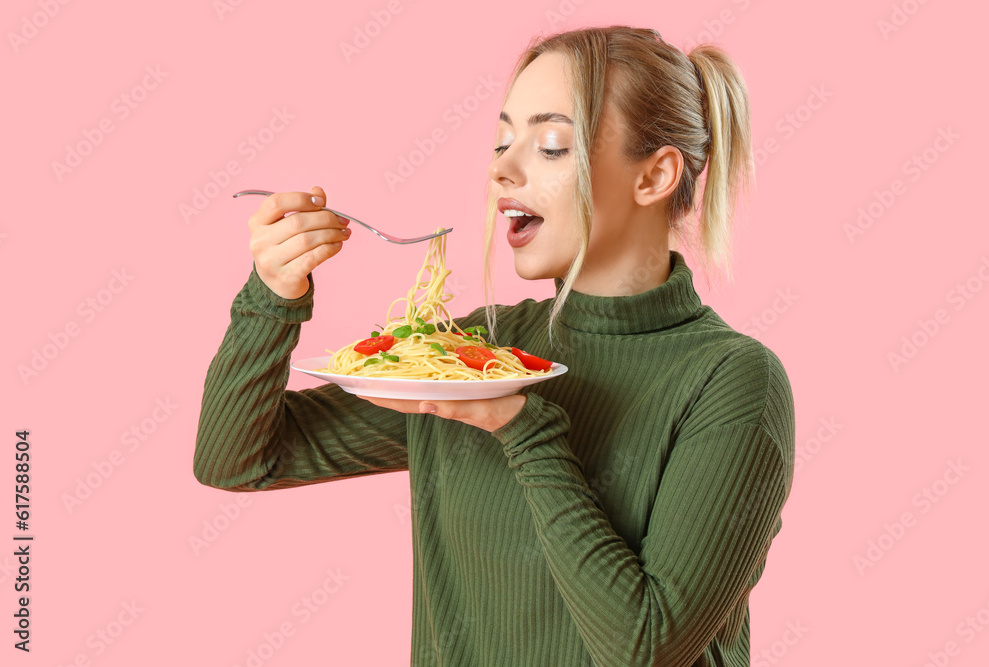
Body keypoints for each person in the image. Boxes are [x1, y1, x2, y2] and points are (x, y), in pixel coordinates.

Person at [194, 25, 795, 667]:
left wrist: (522, 425)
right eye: (504, 139)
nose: (501, 167)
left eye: (552, 144)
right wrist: (274, 295)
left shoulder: (731, 381)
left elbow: (644, 647)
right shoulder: (477, 352)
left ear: (654, 176)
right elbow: (238, 459)